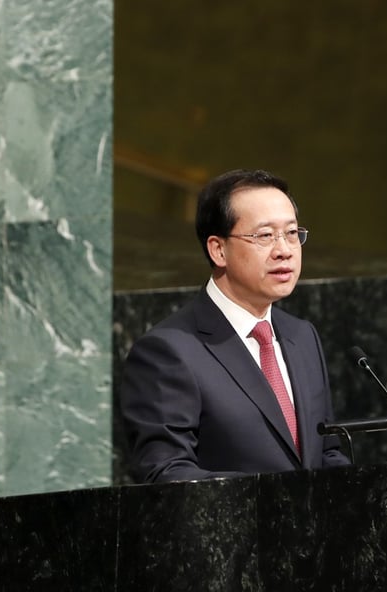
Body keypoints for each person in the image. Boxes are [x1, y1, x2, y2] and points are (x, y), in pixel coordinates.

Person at [120, 169, 350, 483]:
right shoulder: (169, 351)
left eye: (292, 233)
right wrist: (270, 500)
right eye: (265, 235)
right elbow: (165, 472)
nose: (284, 249)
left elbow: (327, 450)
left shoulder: (302, 335)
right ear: (218, 249)